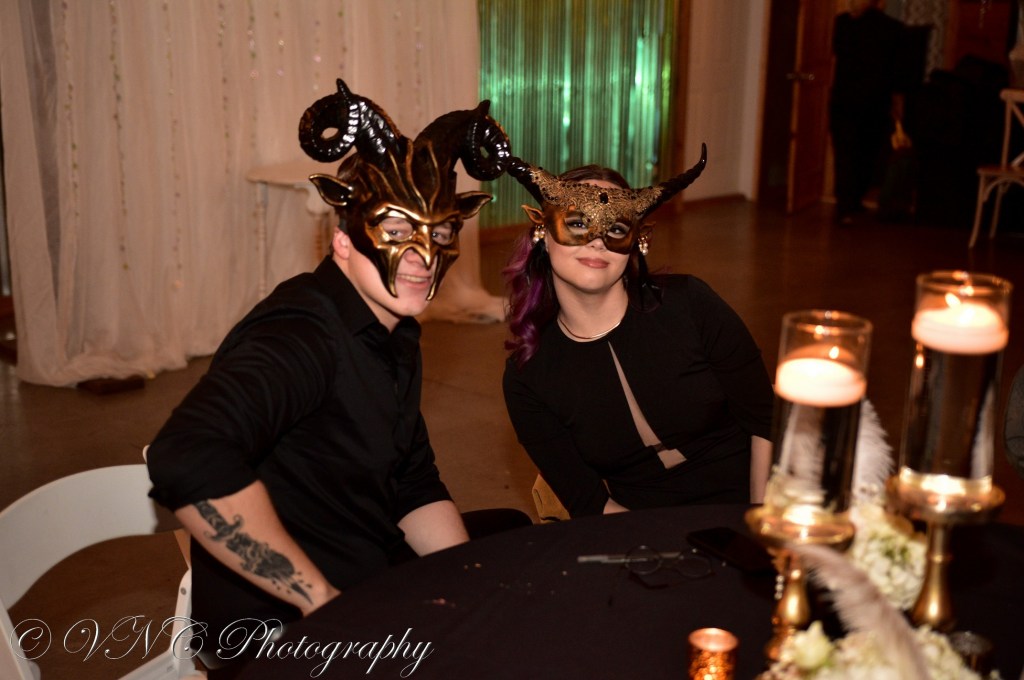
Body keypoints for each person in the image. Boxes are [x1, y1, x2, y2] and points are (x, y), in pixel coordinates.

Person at [146, 79, 525, 675]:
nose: (423, 258)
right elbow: (184, 456)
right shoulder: (299, 334)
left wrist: (463, 587)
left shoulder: (394, 327)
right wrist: (320, 602)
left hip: (366, 565)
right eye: (396, 232)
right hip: (281, 630)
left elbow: (411, 479)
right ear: (343, 240)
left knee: (515, 551)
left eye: (439, 232)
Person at [501, 149, 775, 518]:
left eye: (616, 228)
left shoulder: (689, 305)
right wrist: (650, 544)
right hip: (636, 526)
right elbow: (589, 502)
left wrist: (761, 527)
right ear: (542, 231)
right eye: (578, 223)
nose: (598, 242)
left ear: (636, 240)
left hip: (751, 501)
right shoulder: (528, 376)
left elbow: (765, 423)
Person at [830, 0, 907, 225]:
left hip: (846, 98)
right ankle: (853, 200)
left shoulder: (842, 24)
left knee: (846, 153)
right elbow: (898, 71)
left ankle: (846, 205)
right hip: (875, 100)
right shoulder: (893, 28)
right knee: (866, 153)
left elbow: (833, 53)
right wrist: (897, 102)